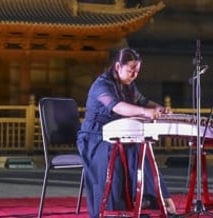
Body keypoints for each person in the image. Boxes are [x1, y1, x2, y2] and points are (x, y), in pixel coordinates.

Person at [76, 47, 177, 217]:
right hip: (94, 138)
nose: (134, 75)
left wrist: (159, 108)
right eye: (131, 70)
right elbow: (117, 106)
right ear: (117, 66)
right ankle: (118, 207)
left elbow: (143, 101)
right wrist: (145, 112)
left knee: (140, 148)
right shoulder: (102, 84)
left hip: (115, 134)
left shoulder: (128, 86)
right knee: (120, 150)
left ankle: (152, 200)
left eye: (137, 71)